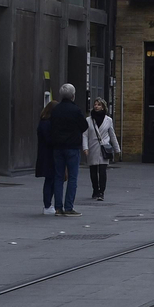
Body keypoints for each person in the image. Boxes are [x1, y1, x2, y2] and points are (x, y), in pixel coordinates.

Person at [46, 83, 89, 215]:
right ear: (73, 96)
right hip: (72, 146)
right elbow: (84, 126)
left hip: (57, 147)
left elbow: (50, 127)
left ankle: (58, 207)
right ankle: (69, 207)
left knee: (59, 177)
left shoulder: (56, 110)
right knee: (72, 178)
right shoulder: (75, 110)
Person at [81, 98, 121, 201]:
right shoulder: (88, 120)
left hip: (104, 148)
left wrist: (117, 149)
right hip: (92, 147)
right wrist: (85, 147)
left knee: (102, 171)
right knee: (93, 171)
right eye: (95, 104)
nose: (96, 106)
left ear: (103, 107)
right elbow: (85, 135)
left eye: (99, 105)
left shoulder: (108, 120)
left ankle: (101, 192)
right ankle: (95, 190)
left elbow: (112, 135)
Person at [36, 99, 56, 215]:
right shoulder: (46, 123)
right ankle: (47, 205)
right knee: (50, 180)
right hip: (48, 155)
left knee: (50, 179)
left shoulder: (43, 122)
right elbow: (49, 139)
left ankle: (48, 204)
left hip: (46, 154)